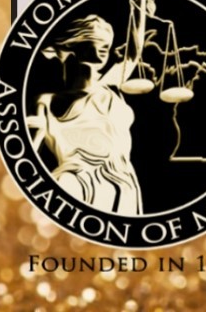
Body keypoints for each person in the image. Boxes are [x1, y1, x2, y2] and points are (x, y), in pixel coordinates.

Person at [28, 11, 145, 212]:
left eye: (107, 43)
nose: (105, 47)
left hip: (124, 186)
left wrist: (140, 7)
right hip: (75, 182)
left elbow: (134, 54)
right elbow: (29, 155)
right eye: (95, 40)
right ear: (73, 46)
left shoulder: (112, 85)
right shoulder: (47, 102)